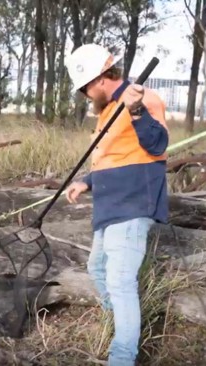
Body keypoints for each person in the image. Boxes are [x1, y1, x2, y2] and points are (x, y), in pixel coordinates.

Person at [63, 44, 170, 366]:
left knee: (121, 283)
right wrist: (87, 182)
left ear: (98, 80)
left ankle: (122, 357)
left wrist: (136, 110)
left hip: (133, 204)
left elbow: (158, 146)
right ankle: (122, 322)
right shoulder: (109, 109)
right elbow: (112, 159)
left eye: (84, 89)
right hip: (109, 205)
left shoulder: (143, 99)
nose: (84, 95)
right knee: (97, 268)